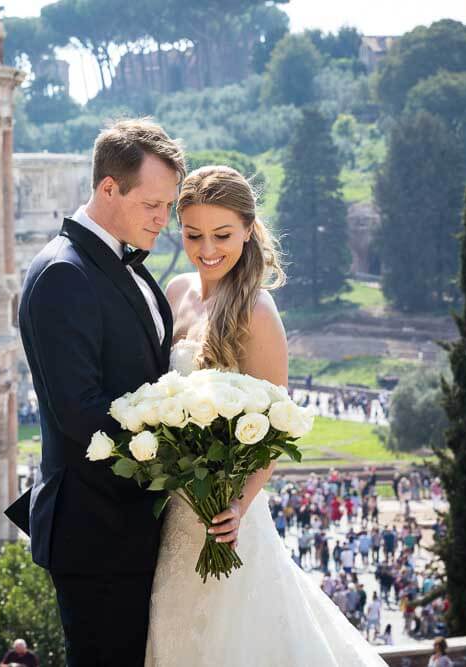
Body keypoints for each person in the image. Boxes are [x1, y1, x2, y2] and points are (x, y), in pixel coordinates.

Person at [144, 165, 385, 665]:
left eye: (222, 235)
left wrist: (240, 506)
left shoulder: (257, 311)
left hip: (227, 517)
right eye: (193, 235)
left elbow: (273, 432)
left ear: (249, 230)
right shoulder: (175, 293)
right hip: (173, 511)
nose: (207, 248)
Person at [5, 119, 189, 665]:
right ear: (109, 188)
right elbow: (81, 414)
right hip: (98, 534)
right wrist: (182, 464)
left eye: (169, 206)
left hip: (135, 527)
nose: (164, 219)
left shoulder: (116, 262)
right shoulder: (65, 274)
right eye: (153, 204)